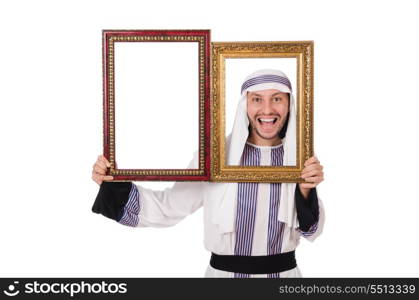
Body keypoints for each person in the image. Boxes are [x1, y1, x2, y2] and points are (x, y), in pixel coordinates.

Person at [91, 69, 325, 278]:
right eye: (257, 99)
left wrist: (306, 190)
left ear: (289, 105)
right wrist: (114, 181)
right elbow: (168, 208)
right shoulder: (214, 157)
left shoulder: (299, 161)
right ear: (245, 105)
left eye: (277, 99)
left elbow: (312, 230)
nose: (267, 109)